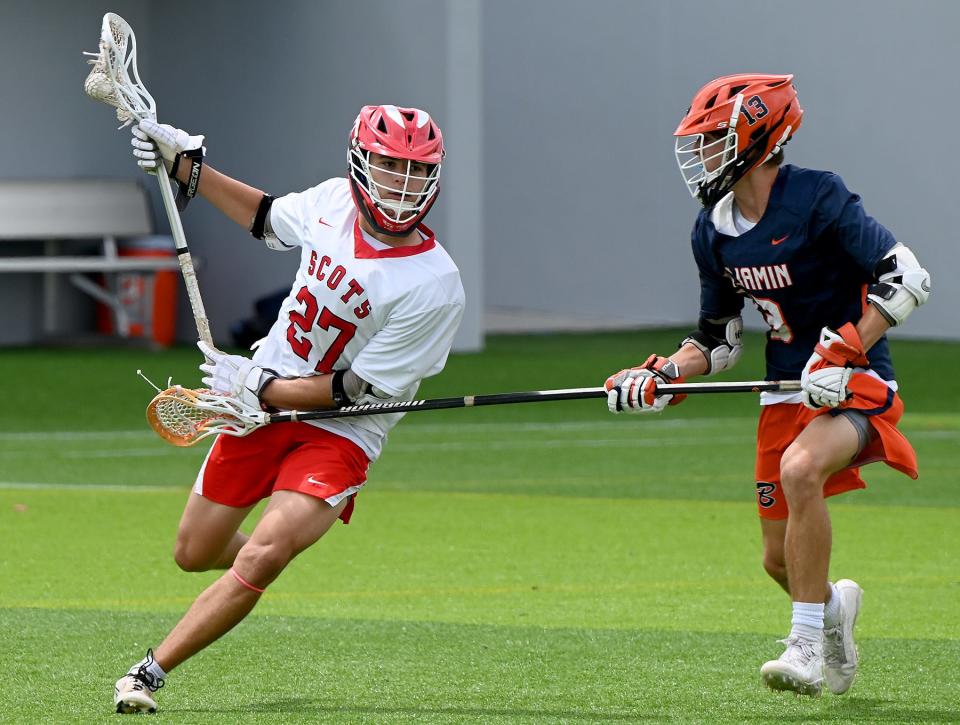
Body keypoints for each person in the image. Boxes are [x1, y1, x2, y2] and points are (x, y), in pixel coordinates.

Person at [113, 105, 465, 714]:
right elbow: (264, 216)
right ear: (359, 161)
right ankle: (249, 568)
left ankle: (149, 672)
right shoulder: (331, 202)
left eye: (415, 170)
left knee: (266, 552)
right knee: (193, 553)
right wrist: (188, 170)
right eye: (387, 165)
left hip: (340, 432)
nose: (400, 183)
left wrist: (258, 384)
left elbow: (354, 390)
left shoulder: (434, 285)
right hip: (259, 412)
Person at [604, 74, 930, 697]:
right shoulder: (712, 229)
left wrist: (845, 348)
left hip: (854, 384)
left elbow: (907, 279)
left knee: (802, 469)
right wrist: (660, 374)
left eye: (711, 141)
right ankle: (831, 612)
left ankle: (804, 647)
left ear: (755, 138)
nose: (699, 156)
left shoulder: (818, 197)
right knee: (778, 561)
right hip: (784, 392)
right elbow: (718, 343)